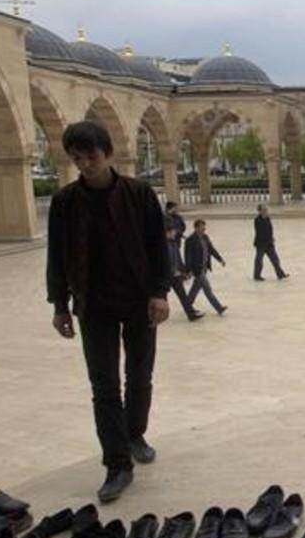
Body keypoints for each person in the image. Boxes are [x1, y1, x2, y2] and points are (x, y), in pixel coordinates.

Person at [46, 120, 169, 503]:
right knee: (104, 386)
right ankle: (117, 465)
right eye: (77, 158)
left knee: (139, 375)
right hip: (93, 304)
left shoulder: (139, 194)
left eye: (91, 156)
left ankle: (134, 435)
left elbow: (157, 248)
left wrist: (159, 293)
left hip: (137, 301)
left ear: (108, 153)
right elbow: (57, 256)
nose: (85, 165)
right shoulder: (65, 203)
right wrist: (60, 304)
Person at [184, 219, 228, 316]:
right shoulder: (190, 240)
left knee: (195, 289)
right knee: (208, 289)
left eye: (204, 226)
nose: (204, 228)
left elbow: (211, 249)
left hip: (204, 268)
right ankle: (219, 308)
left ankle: (187, 305)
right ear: (196, 228)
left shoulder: (205, 237)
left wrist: (220, 259)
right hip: (197, 269)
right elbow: (188, 256)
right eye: (201, 226)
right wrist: (189, 270)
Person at [165, 219, 203, 322]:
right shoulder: (163, 246)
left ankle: (191, 314)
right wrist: (173, 271)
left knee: (183, 295)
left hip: (176, 275)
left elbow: (179, 259)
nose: (175, 233)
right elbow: (164, 262)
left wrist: (185, 271)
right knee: (162, 296)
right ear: (167, 232)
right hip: (166, 276)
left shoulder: (174, 244)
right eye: (173, 231)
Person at [253, 204, 289, 281]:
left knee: (275, 260)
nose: (266, 211)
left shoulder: (268, 218)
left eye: (266, 210)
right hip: (261, 244)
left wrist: (271, 237)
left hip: (269, 244)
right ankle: (257, 276)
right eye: (264, 210)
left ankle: (280, 274)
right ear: (260, 211)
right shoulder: (257, 220)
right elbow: (260, 232)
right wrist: (268, 238)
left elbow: (269, 230)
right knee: (259, 260)